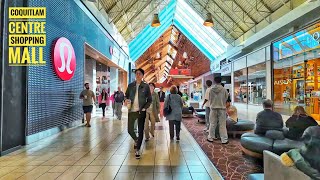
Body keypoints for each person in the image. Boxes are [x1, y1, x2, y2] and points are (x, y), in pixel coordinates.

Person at [125, 68, 152, 159]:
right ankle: (136, 140)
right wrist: (126, 100)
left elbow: (149, 100)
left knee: (140, 131)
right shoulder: (130, 85)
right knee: (130, 130)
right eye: (136, 73)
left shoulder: (146, 86)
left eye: (140, 73)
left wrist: (144, 108)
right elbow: (126, 95)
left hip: (141, 111)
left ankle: (137, 150)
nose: (138, 75)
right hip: (131, 111)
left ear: (142, 75)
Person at [207, 77, 229, 144]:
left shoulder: (211, 90)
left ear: (214, 81)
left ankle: (210, 137)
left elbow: (210, 99)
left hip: (213, 109)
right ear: (220, 81)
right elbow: (226, 98)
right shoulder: (224, 90)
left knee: (212, 123)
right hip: (222, 109)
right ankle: (224, 139)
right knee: (222, 124)